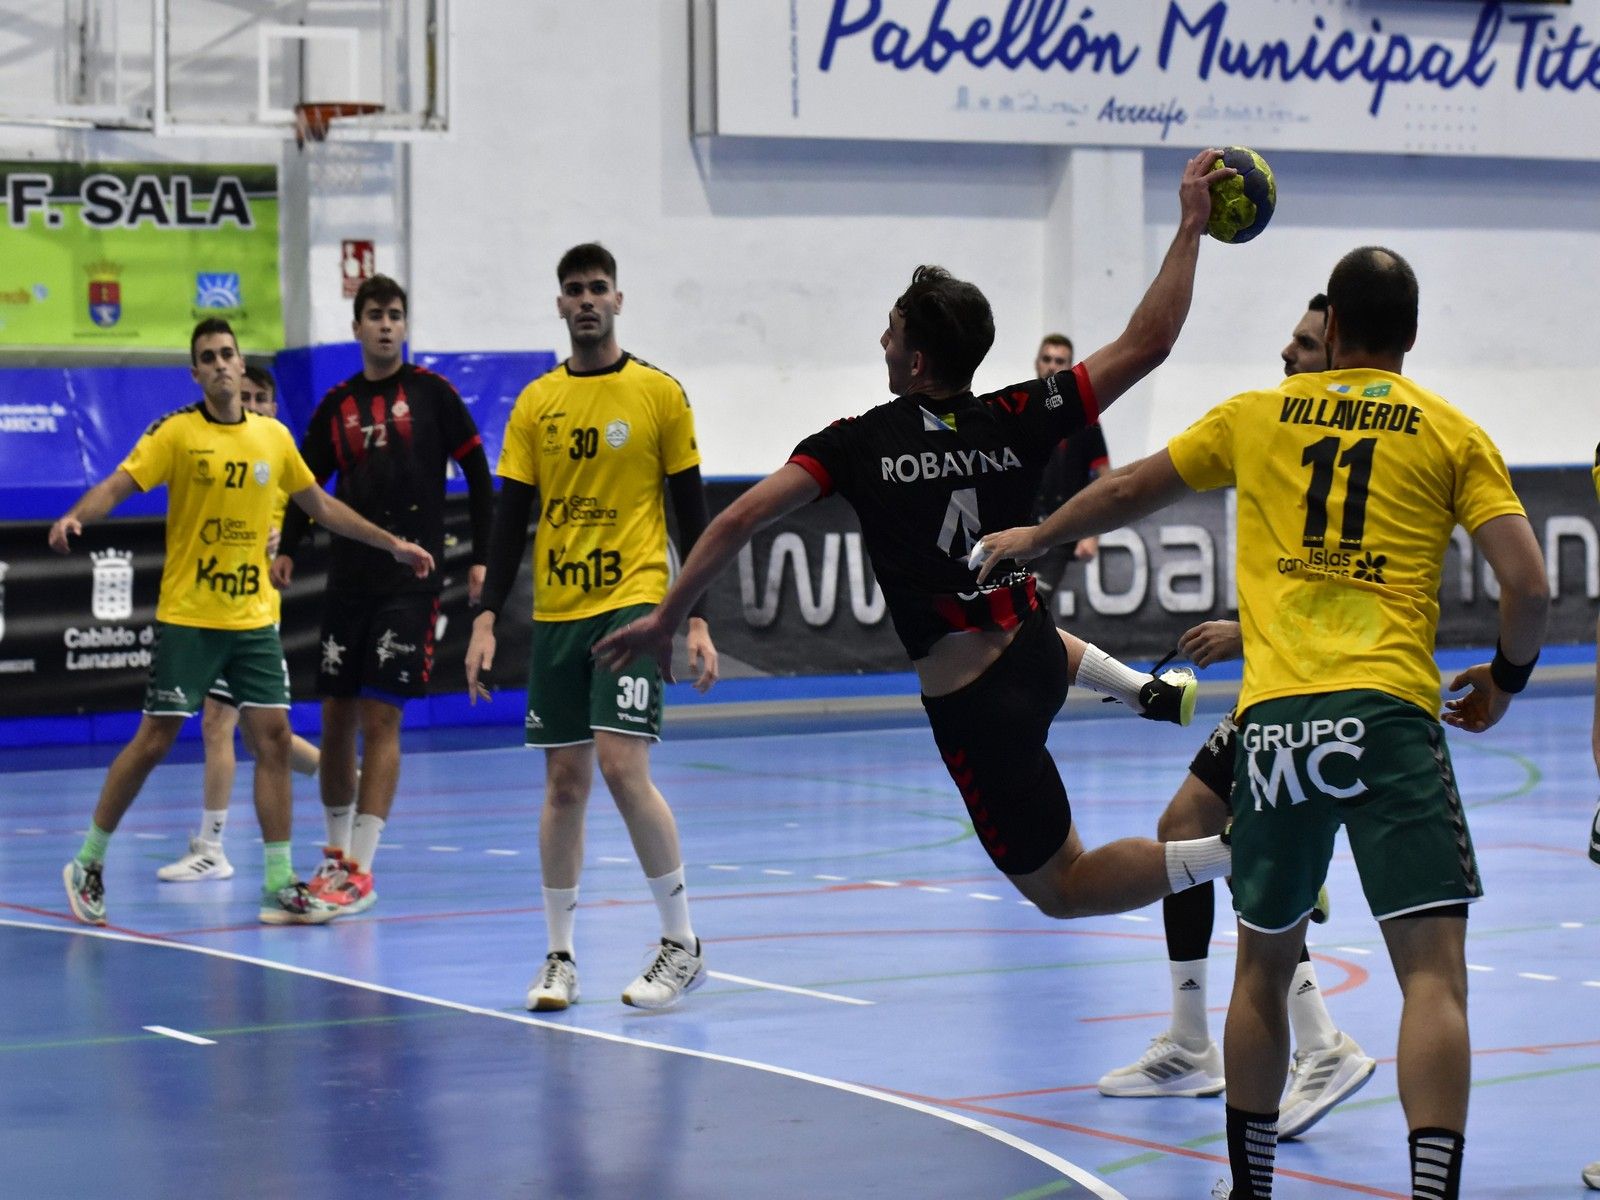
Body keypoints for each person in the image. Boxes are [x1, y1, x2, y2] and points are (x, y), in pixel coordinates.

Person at [972, 247, 1549, 1200]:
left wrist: (1037, 536)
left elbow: (1125, 491)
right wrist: (1508, 678)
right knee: (1434, 981)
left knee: (1261, 972)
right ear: (1408, 334)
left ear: (1337, 333)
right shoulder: (1451, 432)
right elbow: (1528, 585)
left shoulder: (1257, 415)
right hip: (1390, 715)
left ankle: (1251, 1189)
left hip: (1276, 724)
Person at [591, 151, 1236, 950]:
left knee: (1064, 887)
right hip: (1032, 652)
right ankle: (1139, 690)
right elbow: (1150, 341)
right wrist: (1190, 226)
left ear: (917, 359)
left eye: (892, 334)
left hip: (978, 709)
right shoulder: (1018, 412)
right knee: (1021, 602)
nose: (882, 342)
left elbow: (735, 522)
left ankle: (1234, 855)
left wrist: (668, 617)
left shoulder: (857, 444)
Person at [1096, 296, 1378, 1145]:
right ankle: (1191, 1039)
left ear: (1340, 354)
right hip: (1277, 683)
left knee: (1256, 867)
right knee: (1185, 825)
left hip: (1318, 693)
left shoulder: (1367, 442)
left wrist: (1249, 631)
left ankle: (1323, 1047)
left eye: (1302, 342)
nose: (1283, 352)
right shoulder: (1289, 439)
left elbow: (1356, 587)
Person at [52, 318, 435, 926]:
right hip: (191, 617)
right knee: (154, 741)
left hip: (253, 621)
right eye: (208, 357)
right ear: (197, 372)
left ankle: (279, 881)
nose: (221, 364)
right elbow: (119, 484)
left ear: (239, 362)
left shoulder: (274, 438)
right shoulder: (177, 433)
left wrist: (392, 543)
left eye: (228, 353)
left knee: (274, 740)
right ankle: (88, 860)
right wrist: (77, 517)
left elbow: (323, 505)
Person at [464, 241, 720, 1013]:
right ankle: (559, 957)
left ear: (617, 299)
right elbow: (510, 521)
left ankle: (682, 941)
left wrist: (697, 616)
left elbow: (691, 512)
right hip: (557, 612)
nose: (585, 300)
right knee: (564, 782)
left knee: (618, 765)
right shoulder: (537, 403)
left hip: (634, 604)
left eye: (597, 288)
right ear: (559, 303)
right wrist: (484, 619)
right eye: (573, 289)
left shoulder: (658, 395)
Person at [274, 275, 495, 915]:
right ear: (356, 327)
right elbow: (304, 482)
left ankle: (363, 869)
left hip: (411, 579)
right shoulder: (336, 405)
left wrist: (482, 557)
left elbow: (480, 474)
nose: (386, 325)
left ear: (405, 325)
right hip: (349, 580)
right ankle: (335, 857)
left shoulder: (433, 395)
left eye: (396, 315)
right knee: (336, 716)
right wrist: (291, 545)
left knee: (382, 716)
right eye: (375, 316)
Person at [158, 364, 323, 883]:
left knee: (218, 726)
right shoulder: (224, 446)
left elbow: (307, 515)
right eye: (245, 396)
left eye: (260, 397)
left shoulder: (276, 455)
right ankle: (344, 780)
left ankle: (211, 845)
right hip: (214, 610)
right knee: (261, 737)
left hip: (251, 618)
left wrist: (284, 538)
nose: (250, 404)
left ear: (274, 407)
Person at [1027, 333, 1112, 614]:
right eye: (1047, 359)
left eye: (1059, 361)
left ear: (1070, 367)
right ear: (1037, 363)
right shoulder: (1017, 409)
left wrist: (1093, 535)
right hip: (1019, 526)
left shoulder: (1085, 419)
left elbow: (1105, 477)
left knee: (1034, 604)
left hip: (1060, 531)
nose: (1052, 366)